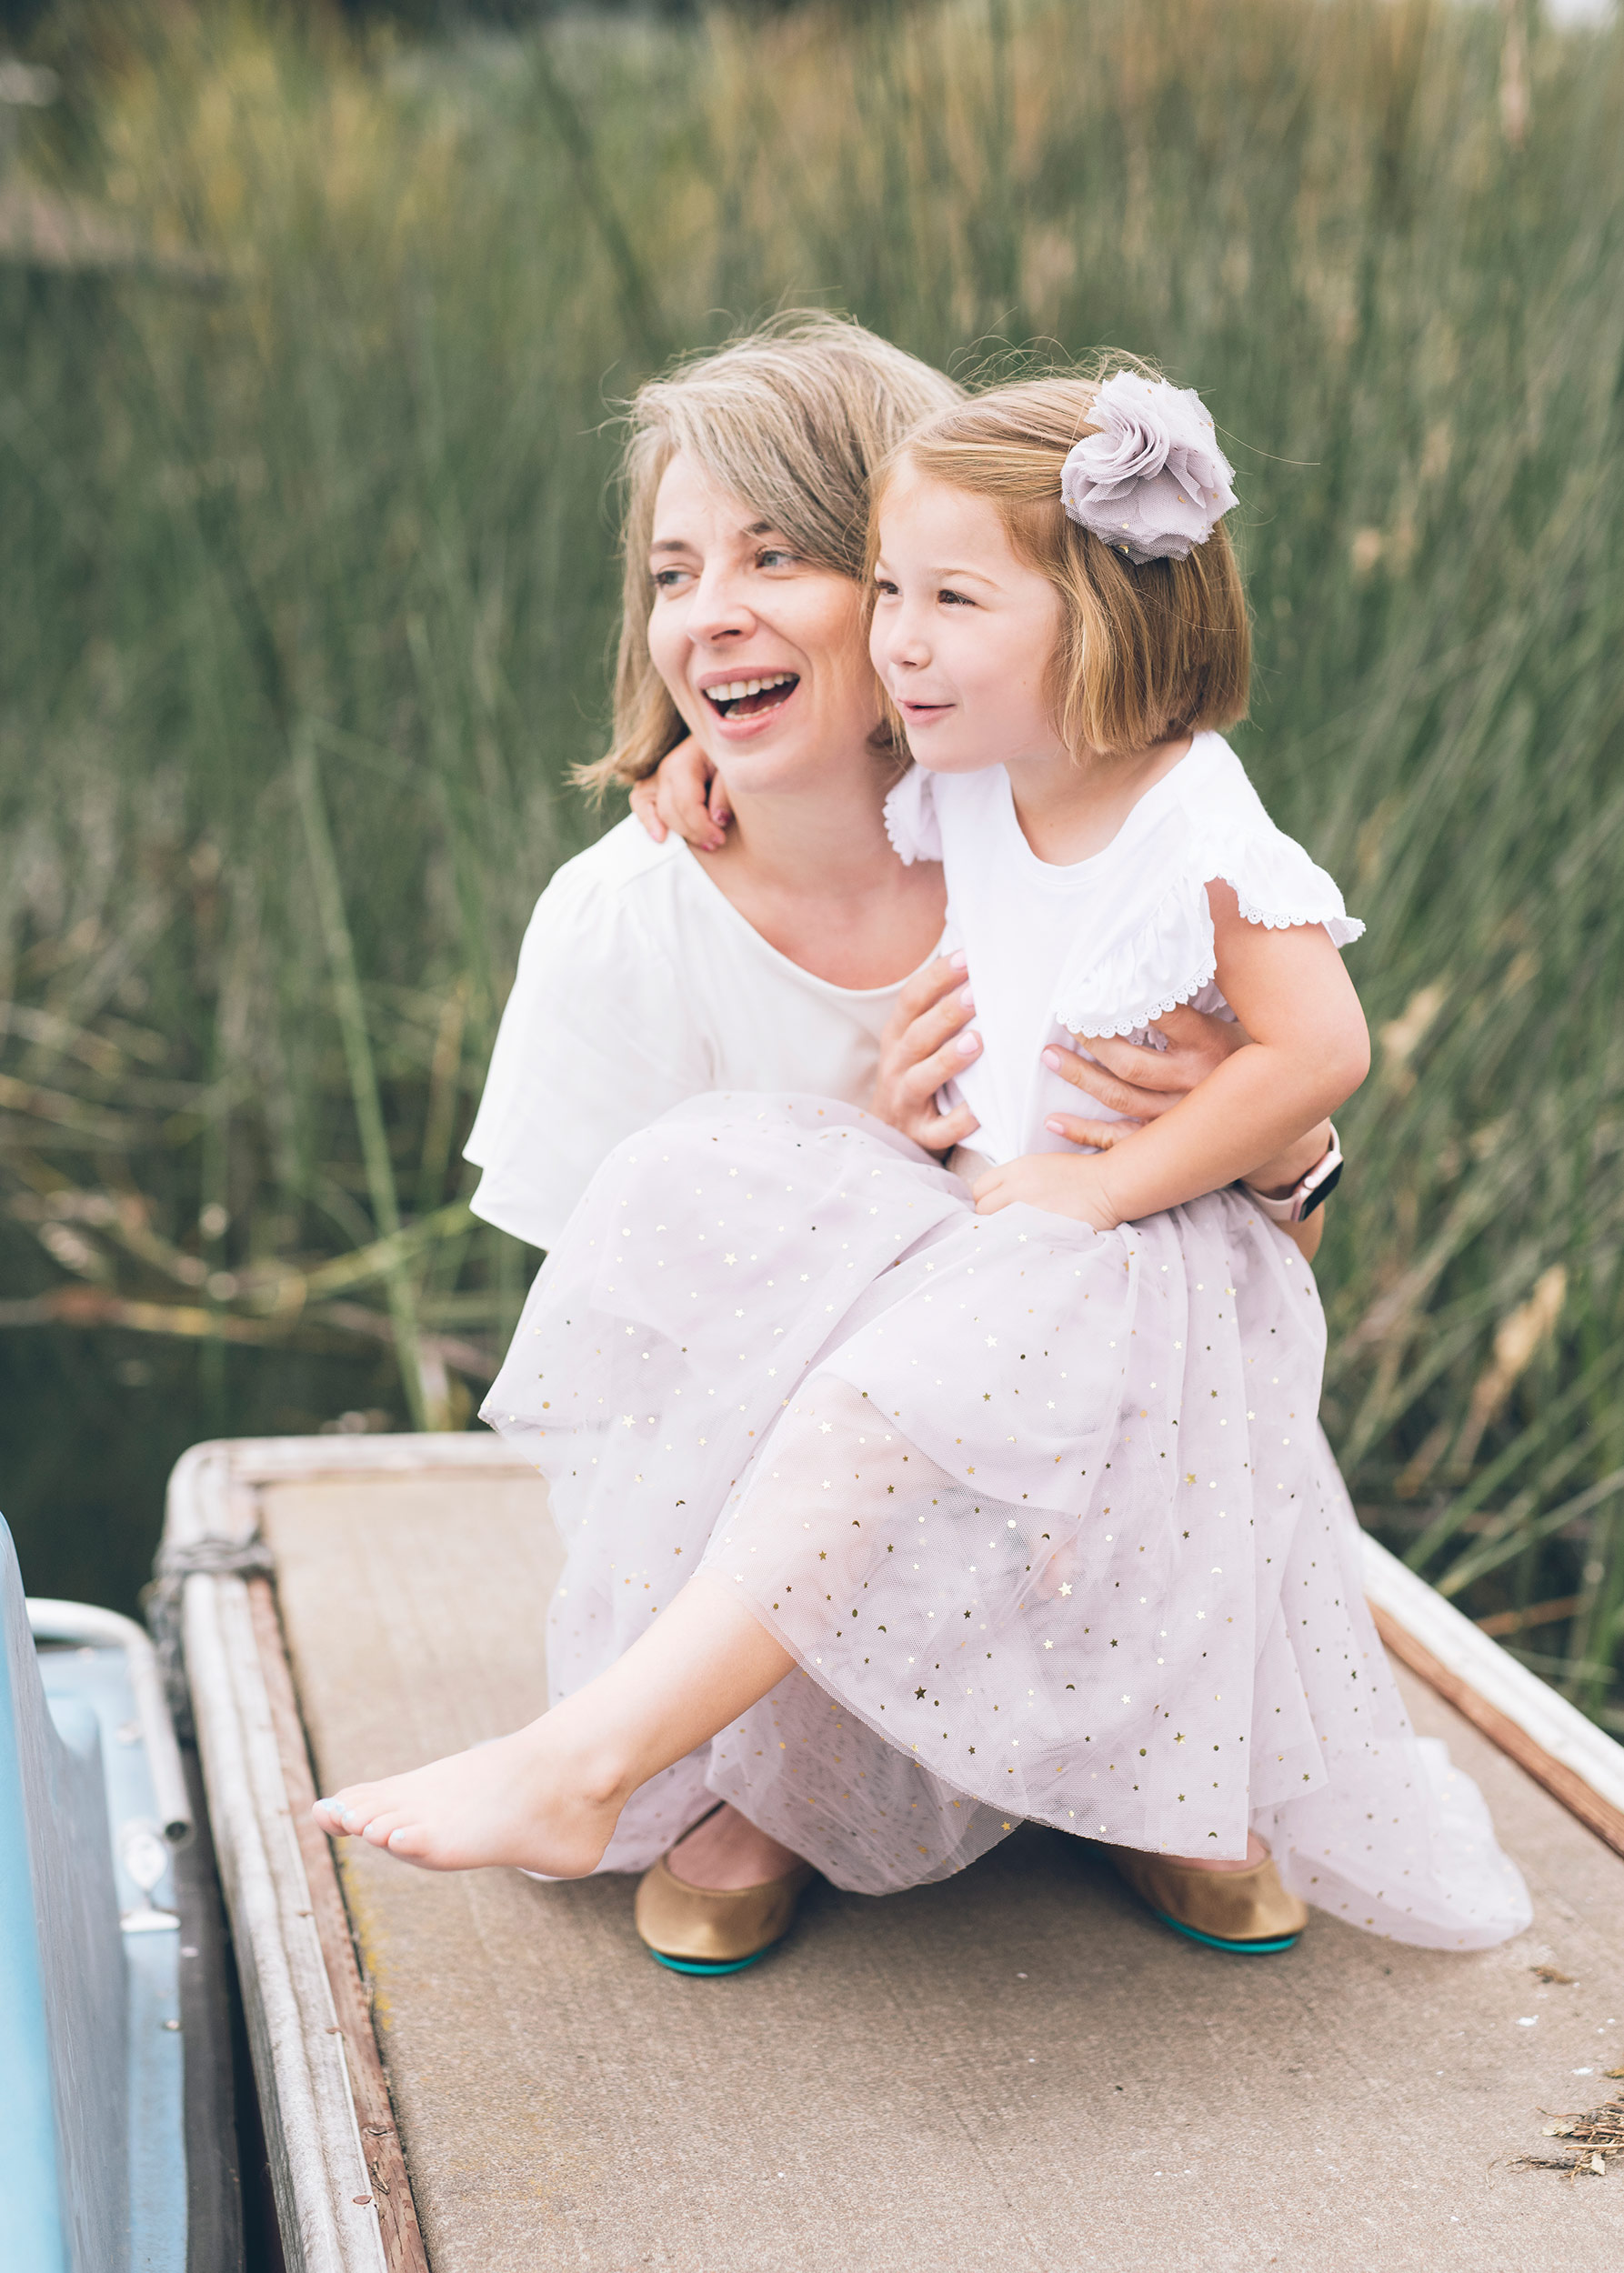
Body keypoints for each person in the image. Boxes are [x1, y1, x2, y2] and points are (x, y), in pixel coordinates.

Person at [317, 331, 1528, 1966]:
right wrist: (701, 774)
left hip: (1104, 1373)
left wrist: (1265, 1154)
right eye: (675, 572)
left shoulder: (1051, 801)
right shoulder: (663, 898)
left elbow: (1283, 1151)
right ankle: (768, 1766)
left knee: (1020, 1319)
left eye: (786, 558)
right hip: (821, 1470)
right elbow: (639, 1375)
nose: (715, 614)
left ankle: (1140, 1773)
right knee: (787, 1237)